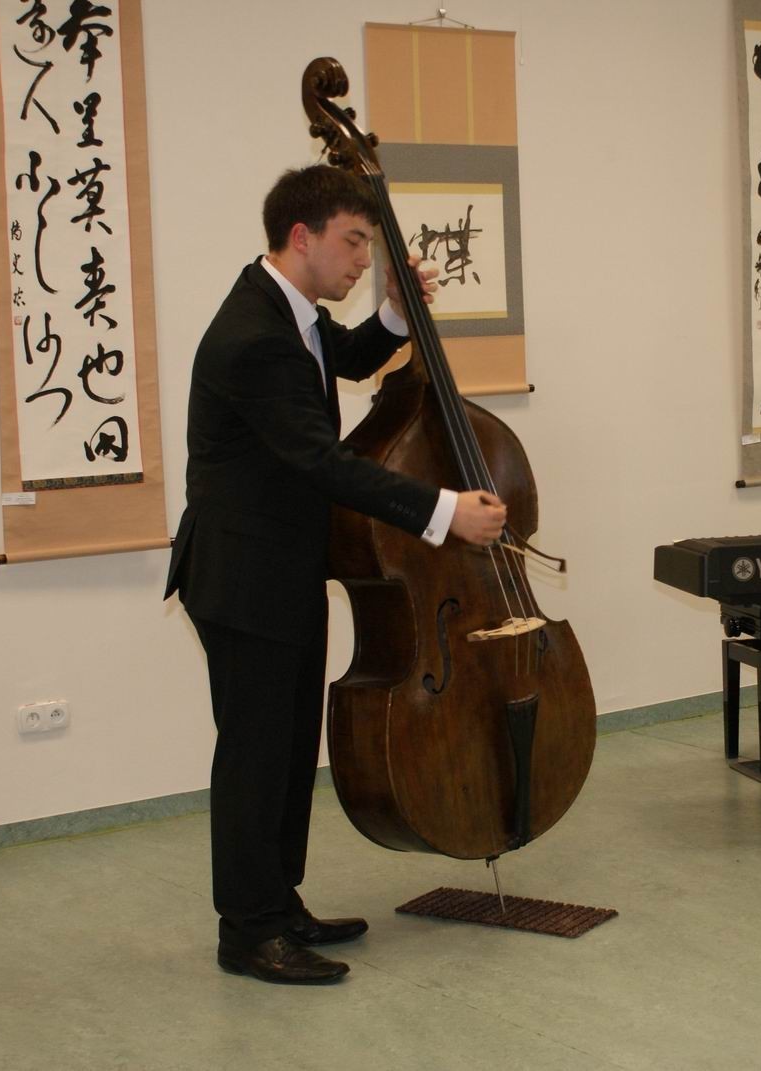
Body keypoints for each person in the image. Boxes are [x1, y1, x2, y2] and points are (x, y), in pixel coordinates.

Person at [163, 165, 507, 985]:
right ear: (302, 236)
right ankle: (248, 931)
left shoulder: (292, 313)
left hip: (284, 567)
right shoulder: (252, 336)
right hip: (244, 578)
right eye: (354, 242)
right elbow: (322, 461)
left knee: (287, 751)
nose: (362, 259)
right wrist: (443, 509)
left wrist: (392, 318)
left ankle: (278, 903)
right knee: (255, 757)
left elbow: (343, 360)